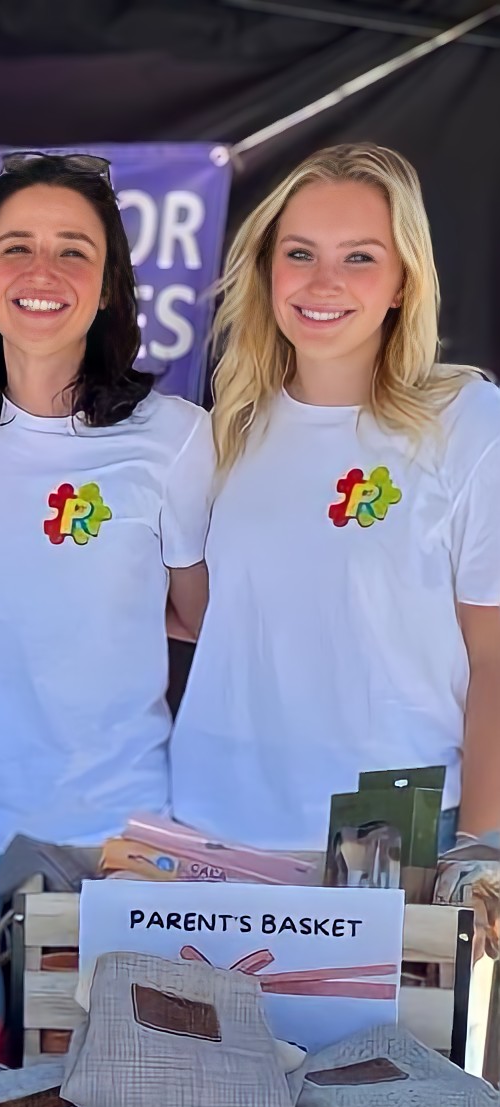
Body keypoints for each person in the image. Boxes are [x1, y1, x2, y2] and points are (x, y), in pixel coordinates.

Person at [0, 152, 214, 1019]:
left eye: (74, 250)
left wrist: (96, 603)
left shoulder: (175, 439)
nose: (43, 273)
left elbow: (200, 615)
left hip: (114, 832)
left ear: (112, 283)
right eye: (16, 248)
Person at [172, 144, 499, 848]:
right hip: (216, 835)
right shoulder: (221, 433)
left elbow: (494, 660)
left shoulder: (469, 424)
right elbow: (201, 617)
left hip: (402, 840)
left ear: (404, 281)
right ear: (266, 269)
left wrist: (480, 855)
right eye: (299, 254)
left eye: (358, 258)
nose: (323, 283)